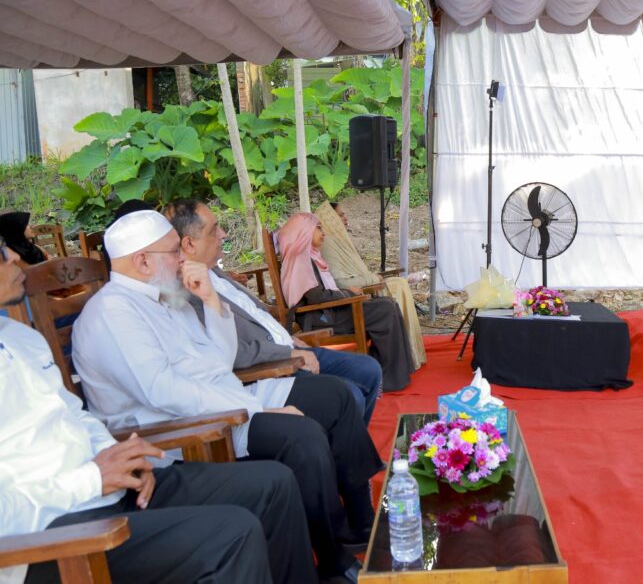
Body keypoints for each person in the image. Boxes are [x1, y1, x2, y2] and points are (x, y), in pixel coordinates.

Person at [71, 211, 382, 580]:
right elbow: (165, 392)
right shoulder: (113, 312)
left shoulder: (166, 297)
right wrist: (256, 410)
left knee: (334, 396)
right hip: (184, 429)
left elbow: (219, 359)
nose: (183, 259)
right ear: (142, 261)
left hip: (224, 400)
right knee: (303, 436)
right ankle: (332, 558)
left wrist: (211, 301)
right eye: (174, 252)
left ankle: (357, 524)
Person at [0, 235, 319, 584]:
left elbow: (75, 417)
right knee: (232, 535)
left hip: (108, 489)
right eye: (0, 252)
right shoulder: (113, 311)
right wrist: (91, 479)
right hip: (48, 530)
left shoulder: (21, 338)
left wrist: (121, 458)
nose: (13, 255)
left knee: (273, 485)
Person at [164, 199, 382, 424]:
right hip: (270, 366)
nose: (224, 234)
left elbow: (256, 315)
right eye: (214, 229)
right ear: (189, 244)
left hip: (287, 346)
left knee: (369, 369)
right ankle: (341, 438)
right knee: (348, 395)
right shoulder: (189, 294)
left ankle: (350, 434)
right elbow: (228, 351)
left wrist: (286, 337)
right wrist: (284, 354)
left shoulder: (215, 273)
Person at [278, 212, 415, 392]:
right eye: (318, 228)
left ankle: (392, 371)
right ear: (303, 231)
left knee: (388, 304)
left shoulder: (310, 257)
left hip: (329, 312)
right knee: (385, 309)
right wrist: (347, 294)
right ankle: (387, 377)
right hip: (321, 318)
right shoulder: (300, 259)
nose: (323, 233)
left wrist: (347, 294)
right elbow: (317, 297)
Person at [314, 200, 427, 368]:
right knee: (391, 297)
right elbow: (338, 283)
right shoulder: (327, 244)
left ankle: (403, 360)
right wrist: (373, 280)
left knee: (398, 286)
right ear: (330, 220)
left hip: (350, 296)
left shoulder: (338, 240)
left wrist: (372, 279)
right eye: (340, 215)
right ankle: (395, 363)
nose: (345, 218)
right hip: (342, 306)